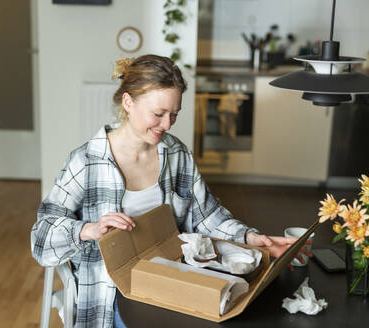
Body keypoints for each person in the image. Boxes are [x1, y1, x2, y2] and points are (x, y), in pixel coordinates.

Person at [31, 54, 310, 328]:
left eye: (174, 114)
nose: (166, 125)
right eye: (158, 114)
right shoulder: (86, 161)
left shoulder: (176, 154)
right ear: (128, 102)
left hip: (173, 277)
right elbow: (41, 237)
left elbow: (206, 215)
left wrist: (251, 237)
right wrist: (88, 230)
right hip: (110, 290)